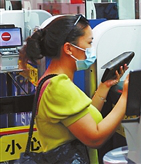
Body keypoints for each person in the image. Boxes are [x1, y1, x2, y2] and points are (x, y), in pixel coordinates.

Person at [19, 15, 129, 163]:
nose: (91, 49)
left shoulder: (53, 80)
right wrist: (126, 97)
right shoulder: (59, 87)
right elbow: (95, 138)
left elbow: (83, 120)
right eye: (89, 43)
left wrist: (104, 87)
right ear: (69, 48)